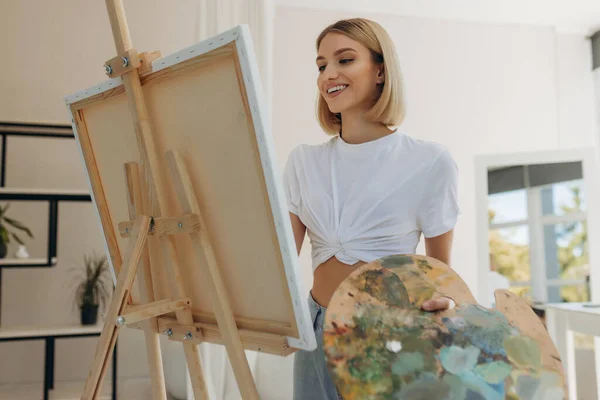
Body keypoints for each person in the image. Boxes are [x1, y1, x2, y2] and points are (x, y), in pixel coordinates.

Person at [282, 18, 460, 400]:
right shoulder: (303, 162)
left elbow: (441, 275)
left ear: (381, 70)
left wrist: (449, 304)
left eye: (344, 60)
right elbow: (278, 263)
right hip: (316, 329)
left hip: (393, 332)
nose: (329, 73)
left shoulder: (429, 161)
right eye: (321, 65)